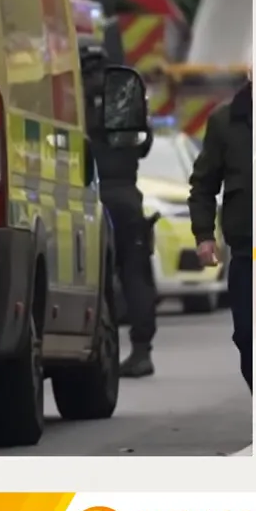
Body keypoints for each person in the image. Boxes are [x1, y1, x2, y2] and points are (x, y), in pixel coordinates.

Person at [82, 41, 158, 377]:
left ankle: (97, 351)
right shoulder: (122, 92)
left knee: (91, 274)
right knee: (134, 272)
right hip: (126, 195)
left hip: (88, 194)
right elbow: (143, 145)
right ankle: (141, 351)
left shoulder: (71, 93)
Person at [189, 77, 252, 392]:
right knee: (248, 336)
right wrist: (204, 235)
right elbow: (203, 185)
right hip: (248, 251)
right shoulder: (225, 121)